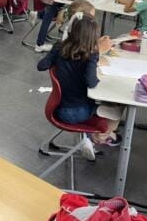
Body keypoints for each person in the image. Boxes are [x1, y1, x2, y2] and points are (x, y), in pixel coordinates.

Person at [37, 14, 122, 161]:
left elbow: (41, 66)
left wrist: (55, 57)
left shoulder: (59, 47)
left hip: (58, 107)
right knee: (118, 108)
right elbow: (91, 83)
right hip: (78, 112)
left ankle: (91, 138)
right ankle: (100, 136)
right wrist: (96, 53)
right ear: (92, 37)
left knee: (103, 104)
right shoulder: (90, 55)